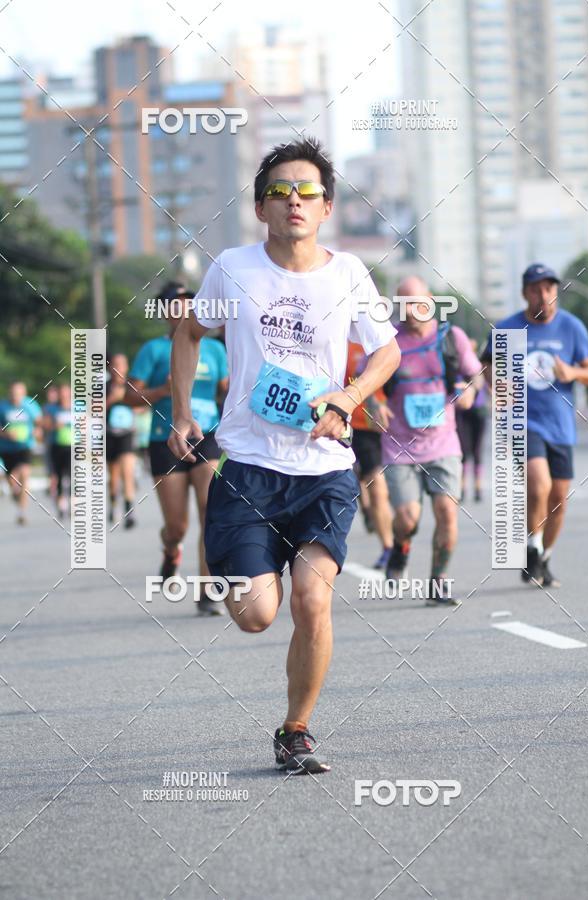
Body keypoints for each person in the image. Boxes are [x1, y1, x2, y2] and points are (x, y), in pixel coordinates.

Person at [168, 137, 400, 774]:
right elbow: (189, 331)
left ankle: (296, 729)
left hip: (324, 469)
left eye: (307, 192)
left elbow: (388, 352)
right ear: (259, 207)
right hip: (246, 467)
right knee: (254, 615)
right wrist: (184, 412)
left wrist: (346, 395)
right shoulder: (233, 268)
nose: (293, 200)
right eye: (279, 191)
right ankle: (241, 565)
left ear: (326, 207)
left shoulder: (349, 273)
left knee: (313, 600)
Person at [481, 263, 588, 587]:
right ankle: (531, 547)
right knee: (538, 484)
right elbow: (487, 367)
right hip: (523, 423)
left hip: (561, 425)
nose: (543, 294)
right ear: (525, 293)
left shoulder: (571, 328)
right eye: (536, 289)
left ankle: (543, 557)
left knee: (559, 499)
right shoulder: (507, 328)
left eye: (549, 288)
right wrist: (495, 381)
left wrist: (573, 374)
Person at [126, 283, 229, 616]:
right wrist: (161, 390)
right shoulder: (154, 350)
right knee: (178, 525)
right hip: (165, 437)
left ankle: (207, 588)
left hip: (207, 435)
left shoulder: (214, 350)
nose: (183, 309)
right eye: (175, 304)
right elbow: (131, 399)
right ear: (164, 311)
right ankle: (171, 549)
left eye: (189, 303)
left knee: (209, 509)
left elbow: (226, 389)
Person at [383, 277, 482, 605]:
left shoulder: (451, 337)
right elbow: (361, 380)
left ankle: (438, 583)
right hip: (399, 445)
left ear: (430, 301)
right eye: (404, 303)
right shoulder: (388, 340)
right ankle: (401, 548)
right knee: (407, 519)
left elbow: (475, 375)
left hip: (443, 443)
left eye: (416, 302)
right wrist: (374, 405)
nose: (411, 310)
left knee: (446, 513)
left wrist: (469, 391)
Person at [345, 341, 394, 568]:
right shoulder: (337, 340)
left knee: (377, 487)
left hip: (369, 428)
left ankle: (388, 547)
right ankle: (364, 507)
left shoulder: (384, 343)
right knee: (352, 484)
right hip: (337, 423)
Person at [0, 381, 42, 525]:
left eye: (19, 393)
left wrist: (37, 431)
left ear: (24, 393)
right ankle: (17, 498)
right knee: (11, 481)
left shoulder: (30, 405)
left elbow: (39, 422)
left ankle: (22, 512)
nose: (15, 396)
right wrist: (6, 434)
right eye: (13, 393)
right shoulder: (3, 406)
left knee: (24, 473)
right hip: (7, 448)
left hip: (25, 446)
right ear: (9, 393)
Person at [106, 353, 138, 528]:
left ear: (126, 367)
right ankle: (113, 504)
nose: (118, 369)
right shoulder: (104, 387)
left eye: (122, 364)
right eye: (115, 365)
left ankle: (129, 511)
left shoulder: (132, 385)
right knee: (114, 476)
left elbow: (143, 406)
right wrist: (112, 399)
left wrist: (130, 403)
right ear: (110, 368)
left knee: (127, 472)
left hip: (127, 435)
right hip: (110, 435)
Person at [456, 345, 489, 502]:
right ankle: (461, 488)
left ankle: (478, 488)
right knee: (464, 451)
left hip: (479, 412)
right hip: (462, 413)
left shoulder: (481, 369)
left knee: (477, 452)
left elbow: (490, 386)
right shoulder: (457, 367)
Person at [45, 383, 72, 519]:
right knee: (59, 476)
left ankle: (73, 504)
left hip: (73, 446)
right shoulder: (51, 408)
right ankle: (62, 505)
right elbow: (46, 425)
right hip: (56, 446)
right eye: (62, 393)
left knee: (74, 477)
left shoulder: (78, 407)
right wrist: (55, 425)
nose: (64, 395)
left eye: (66, 392)